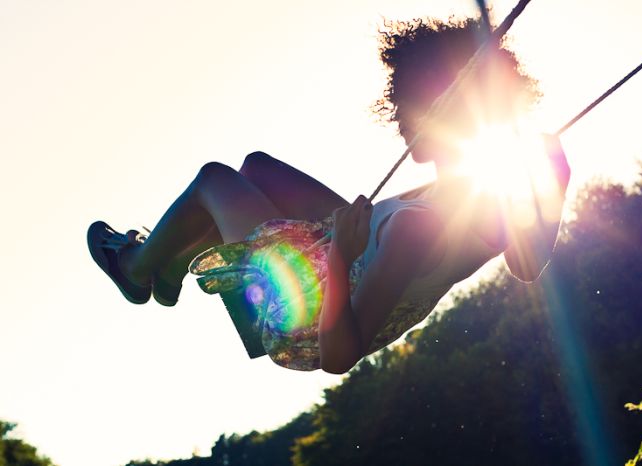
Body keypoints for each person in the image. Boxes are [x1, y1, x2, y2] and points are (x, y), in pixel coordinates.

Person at [88, 16, 570, 374]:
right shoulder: (484, 198)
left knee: (216, 180)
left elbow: (339, 358)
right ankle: (171, 268)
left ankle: (136, 270)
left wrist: (340, 257)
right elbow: (526, 266)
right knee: (257, 168)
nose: (401, 127)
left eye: (405, 112)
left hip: (312, 313)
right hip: (347, 260)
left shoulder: (417, 226)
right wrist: (554, 188)